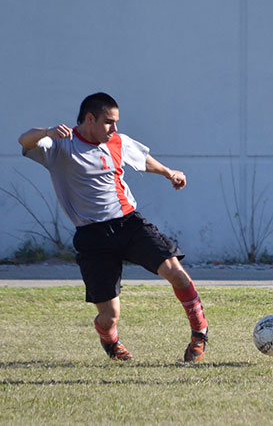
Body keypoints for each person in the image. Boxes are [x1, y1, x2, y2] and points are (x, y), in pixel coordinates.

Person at [18, 92, 209, 362]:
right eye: (109, 122)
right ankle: (110, 340)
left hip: (129, 224)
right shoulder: (61, 145)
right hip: (92, 237)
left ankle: (199, 332)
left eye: (116, 122)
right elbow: (24, 140)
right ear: (89, 118)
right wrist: (47, 131)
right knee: (109, 317)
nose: (114, 128)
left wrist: (169, 173)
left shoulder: (117, 141)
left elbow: (142, 160)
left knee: (176, 272)